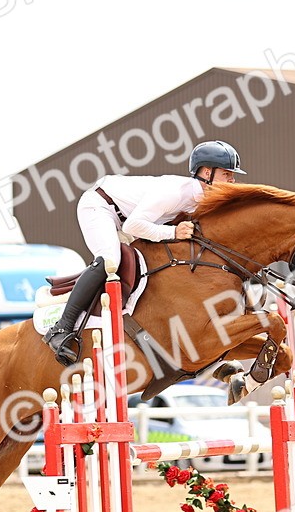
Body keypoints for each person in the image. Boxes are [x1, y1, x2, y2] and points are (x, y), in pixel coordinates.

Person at [42, 140, 246, 366]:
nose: (232, 180)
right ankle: (61, 327)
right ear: (207, 172)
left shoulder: (199, 199)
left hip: (125, 219)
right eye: (227, 174)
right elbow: (132, 226)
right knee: (110, 260)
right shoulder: (176, 193)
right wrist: (173, 232)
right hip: (100, 207)